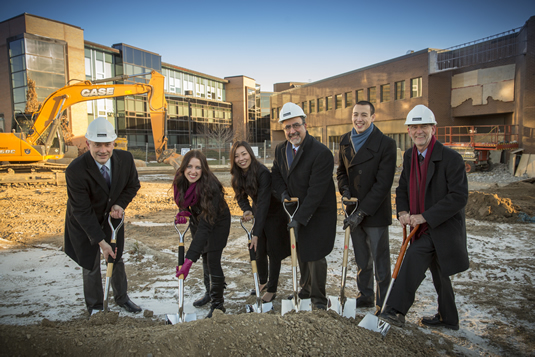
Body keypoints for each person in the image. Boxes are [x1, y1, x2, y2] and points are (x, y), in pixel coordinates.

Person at [379, 105, 469, 330]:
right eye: (414, 127)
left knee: (412, 261)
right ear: (408, 131)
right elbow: (402, 188)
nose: (419, 131)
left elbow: (459, 197)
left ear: (433, 128)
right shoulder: (410, 155)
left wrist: (425, 217)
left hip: (442, 227)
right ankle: (449, 318)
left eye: (423, 126)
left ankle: (395, 311)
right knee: (440, 273)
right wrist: (402, 211)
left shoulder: (451, 158)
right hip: (420, 227)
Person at [64, 117, 141, 315]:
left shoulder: (125, 160)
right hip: (84, 222)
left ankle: (122, 298)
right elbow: (82, 210)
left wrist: (120, 204)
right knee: (90, 263)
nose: (103, 150)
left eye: (107, 144)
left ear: (113, 143)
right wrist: (100, 242)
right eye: (97, 145)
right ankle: (96, 307)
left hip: (111, 218)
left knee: (115, 258)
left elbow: (133, 185)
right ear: (88, 144)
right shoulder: (75, 170)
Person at [271, 102, 337, 310]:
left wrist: (300, 218)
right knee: (300, 251)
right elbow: (276, 174)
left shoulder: (321, 153)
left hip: (317, 212)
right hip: (295, 210)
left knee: (315, 254)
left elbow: (316, 191)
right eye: (287, 127)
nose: (292, 131)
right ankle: (305, 290)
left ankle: (318, 299)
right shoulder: (282, 150)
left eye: (296, 125)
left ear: (305, 124)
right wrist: (282, 194)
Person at [336, 101, 397, 314]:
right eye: (355, 114)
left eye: (363, 114)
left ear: (373, 117)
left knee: (380, 261)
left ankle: (384, 302)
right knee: (362, 258)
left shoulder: (386, 144)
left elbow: (383, 184)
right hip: (353, 210)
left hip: (374, 212)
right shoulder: (345, 141)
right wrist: (344, 191)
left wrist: (362, 212)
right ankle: (366, 295)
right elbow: (341, 172)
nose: (358, 119)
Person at [230, 141, 290, 303]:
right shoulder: (238, 174)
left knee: (273, 250)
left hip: (274, 213)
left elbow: (264, 202)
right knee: (259, 250)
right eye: (237, 156)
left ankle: (272, 289)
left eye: (244, 154)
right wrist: (247, 210)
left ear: (250, 153)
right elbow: (241, 196)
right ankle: (263, 281)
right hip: (259, 211)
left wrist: (256, 232)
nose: (241, 158)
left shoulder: (262, 172)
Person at [173, 150, 231, 318]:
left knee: (212, 259)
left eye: (198, 167)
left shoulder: (210, 186)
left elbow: (206, 227)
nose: (193, 171)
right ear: (183, 167)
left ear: (203, 169)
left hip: (217, 221)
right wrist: (183, 211)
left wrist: (189, 260)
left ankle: (218, 304)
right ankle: (209, 293)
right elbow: (183, 200)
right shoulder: (180, 181)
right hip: (198, 218)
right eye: (189, 166)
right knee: (205, 257)